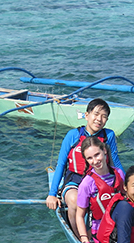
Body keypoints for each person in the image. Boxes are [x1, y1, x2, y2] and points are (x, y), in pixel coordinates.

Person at [46, 98, 122, 232]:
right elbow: (61, 164)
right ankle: (81, 238)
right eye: (96, 114)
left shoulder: (108, 135)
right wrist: (52, 194)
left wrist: (126, 185)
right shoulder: (73, 135)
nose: (99, 119)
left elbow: (115, 162)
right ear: (87, 115)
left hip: (99, 180)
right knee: (75, 200)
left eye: (104, 117)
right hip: (74, 180)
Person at [74, 136, 125, 243]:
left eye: (97, 155)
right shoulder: (86, 184)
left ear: (104, 151)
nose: (95, 161)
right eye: (90, 158)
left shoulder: (119, 173)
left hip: (123, 226)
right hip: (102, 232)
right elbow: (80, 215)